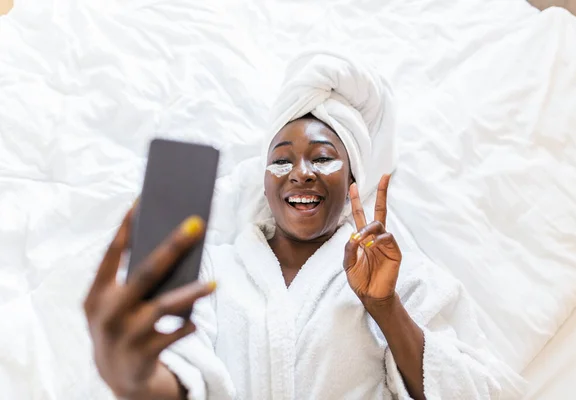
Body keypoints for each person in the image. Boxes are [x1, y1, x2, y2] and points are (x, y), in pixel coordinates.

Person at [84, 52, 523, 400]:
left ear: (354, 179)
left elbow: (475, 391)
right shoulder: (215, 269)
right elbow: (184, 373)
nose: (301, 172)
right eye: (280, 160)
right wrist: (134, 379)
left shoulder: (396, 273)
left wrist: (386, 310)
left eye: (323, 156)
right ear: (263, 180)